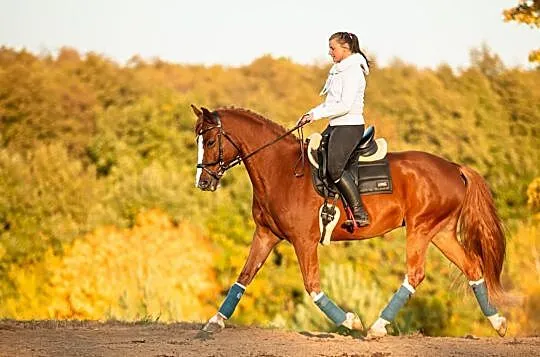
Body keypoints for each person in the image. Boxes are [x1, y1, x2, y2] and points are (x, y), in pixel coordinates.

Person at [298, 31, 371, 227]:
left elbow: (345, 105)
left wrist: (315, 115)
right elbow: (331, 103)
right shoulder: (339, 69)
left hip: (349, 126)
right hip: (336, 125)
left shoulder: (353, 71)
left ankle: (359, 212)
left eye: (333, 48)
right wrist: (310, 114)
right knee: (313, 156)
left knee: (334, 169)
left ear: (345, 48)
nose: (330, 52)